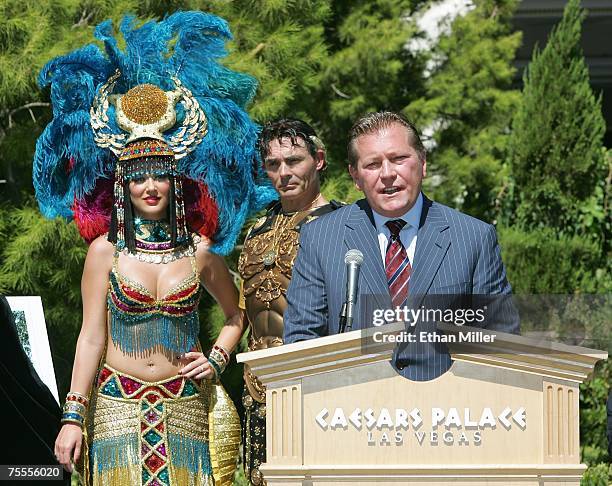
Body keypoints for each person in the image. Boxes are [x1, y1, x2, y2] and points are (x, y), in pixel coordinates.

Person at [34, 12, 275, 486]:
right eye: (139, 175)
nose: (150, 185)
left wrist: (219, 358)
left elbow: (236, 314)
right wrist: (72, 416)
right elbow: (89, 338)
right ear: (123, 185)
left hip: (187, 404)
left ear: (174, 180)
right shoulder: (105, 252)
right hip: (116, 408)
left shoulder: (201, 251)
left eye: (159, 174)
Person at [284, 111, 519, 381]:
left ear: (422, 163)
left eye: (398, 159)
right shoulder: (320, 238)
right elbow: (301, 341)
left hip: (447, 413)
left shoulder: (474, 237)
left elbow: (500, 344)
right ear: (355, 177)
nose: (387, 174)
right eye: (372, 164)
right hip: (352, 412)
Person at [238, 118, 342, 485]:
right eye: (273, 164)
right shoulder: (255, 229)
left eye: (294, 160)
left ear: (319, 160)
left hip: (315, 388)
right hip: (257, 392)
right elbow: (242, 312)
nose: (284, 173)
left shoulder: (343, 224)